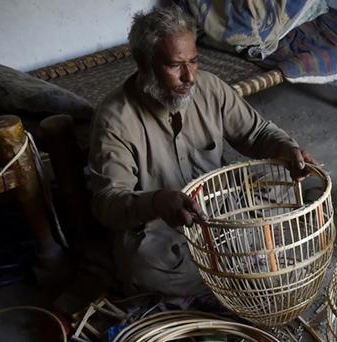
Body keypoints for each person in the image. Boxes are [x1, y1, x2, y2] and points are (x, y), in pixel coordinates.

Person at [88, 5, 318, 305]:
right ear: (143, 62)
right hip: (164, 229)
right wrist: (156, 201)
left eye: (194, 62)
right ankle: (238, 265)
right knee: (142, 263)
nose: (189, 76)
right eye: (175, 65)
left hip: (221, 204)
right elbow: (107, 202)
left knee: (297, 182)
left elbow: (257, 133)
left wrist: (287, 149)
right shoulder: (115, 119)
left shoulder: (209, 87)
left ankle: (222, 268)